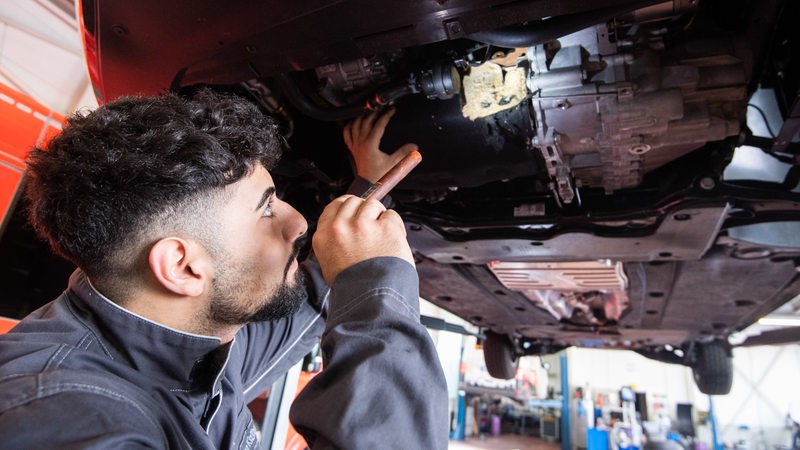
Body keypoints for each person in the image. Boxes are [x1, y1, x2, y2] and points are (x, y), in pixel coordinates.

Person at [0, 89, 448, 449]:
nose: (298, 222)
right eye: (266, 210)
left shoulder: (187, 335)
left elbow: (306, 295)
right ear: (181, 265)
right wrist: (377, 282)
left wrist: (370, 189)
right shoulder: (67, 421)